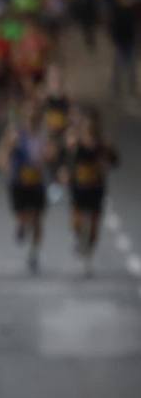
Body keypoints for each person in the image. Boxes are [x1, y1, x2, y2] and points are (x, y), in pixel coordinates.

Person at [63, 108, 118, 276]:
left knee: (94, 226)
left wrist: (107, 160)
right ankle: (78, 238)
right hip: (79, 187)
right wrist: (65, 172)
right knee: (77, 220)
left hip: (95, 188)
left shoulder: (102, 145)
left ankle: (89, 256)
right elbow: (66, 161)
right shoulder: (76, 145)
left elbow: (114, 161)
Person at [0, 108, 50, 274]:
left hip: (37, 182)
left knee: (37, 218)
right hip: (19, 182)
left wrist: (47, 157)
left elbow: (50, 155)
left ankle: (34, 252)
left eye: (35, 119)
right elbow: (2, 154)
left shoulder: (43, 136)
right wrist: (6, 165)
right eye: (29, 118)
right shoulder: (16, 136)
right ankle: (21, 224)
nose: (31, 122)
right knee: (23, 215)